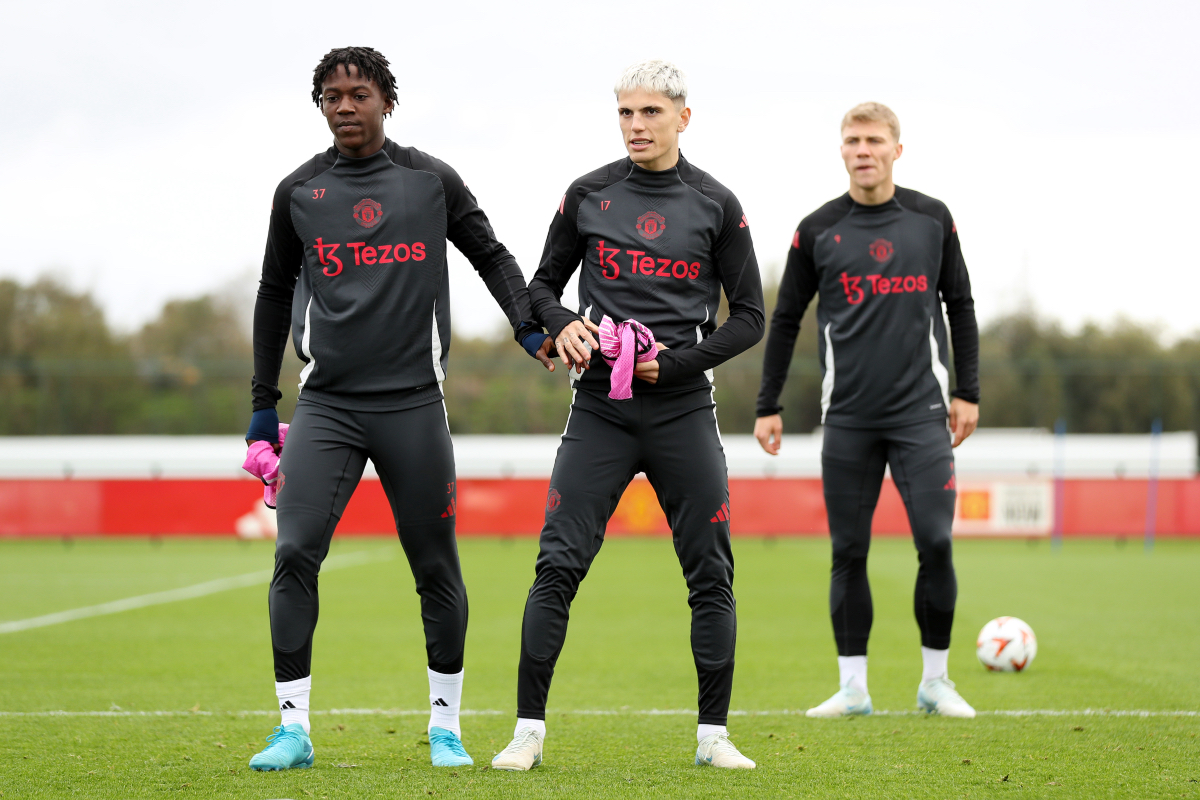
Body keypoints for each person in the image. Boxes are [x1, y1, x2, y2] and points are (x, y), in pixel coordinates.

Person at [244, 46, 553, 772]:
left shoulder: (430, 181)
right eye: (331, 96)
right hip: (328, 408)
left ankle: (445, 729)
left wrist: (527, 325)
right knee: (294, 553)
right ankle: (293, 729)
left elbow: (492, 255)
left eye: (358, 93)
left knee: (435, 567)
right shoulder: (299, 192)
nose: (345, 106)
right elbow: (268, 294)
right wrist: (264, 405)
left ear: (388, 99)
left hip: (414, 405)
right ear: (320, 106)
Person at [490, 59, 765, 771]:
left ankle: (714, 738)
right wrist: (564, 326)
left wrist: (671, 364)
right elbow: (542, 286)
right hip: (599, 415)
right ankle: (526, 732)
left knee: (710, 573)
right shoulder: (588, 194)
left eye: (649, 113)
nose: (636, 126)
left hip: (682, 413)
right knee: (557, 566)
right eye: (624, 113)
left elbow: (751, 319)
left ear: (683, 117)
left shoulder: (717, 203)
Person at [753, 102, 980, 719]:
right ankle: (853, 688)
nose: (863, 149)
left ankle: (936, 681)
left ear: (896, 150)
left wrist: (969, 391)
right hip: (848, 418)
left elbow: (959, 304)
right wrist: (768, 403)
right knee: (848, 550)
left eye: (874, 140)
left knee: (935, 541)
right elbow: (787, 317)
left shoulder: (933, 220)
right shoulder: (817, 228)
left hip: (921, 416)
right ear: (842, 150)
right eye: (852, 140)